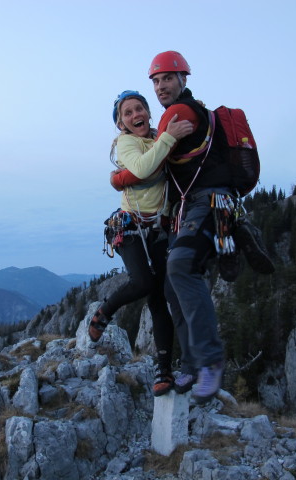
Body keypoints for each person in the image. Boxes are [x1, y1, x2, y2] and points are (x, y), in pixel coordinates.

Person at [111, 51, 273, 403]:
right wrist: (124, 175)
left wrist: (120, 177)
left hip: (205, 202)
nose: (160, 86)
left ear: (183, 78)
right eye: (155, 81)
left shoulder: (179, 113)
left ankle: (208, 361)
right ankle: (190, 364)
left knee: (180, 267)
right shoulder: (186, 113)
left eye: (166, 78)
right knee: (173, 284)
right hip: (199, 206)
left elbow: (145, 168)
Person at [88, 90, 193, 397]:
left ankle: (164, 371)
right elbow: (144, 167)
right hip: (130, 227)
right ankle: (104, 312)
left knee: (160, 299)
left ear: (148, 113)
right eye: (128, 113)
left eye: (139, 109)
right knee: (144, 282)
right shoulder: (126, 143)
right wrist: (168, 139)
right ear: (121, 123)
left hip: (159, 229)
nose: (135, 115)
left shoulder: (160, 139)